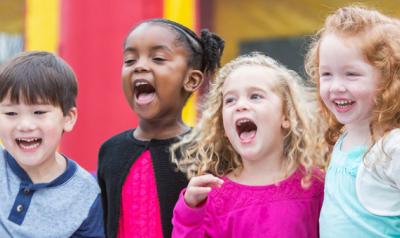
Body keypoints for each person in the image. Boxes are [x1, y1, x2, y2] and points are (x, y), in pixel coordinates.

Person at [171, 52, 325, 238]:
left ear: (286, 116)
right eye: (230, 100)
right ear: (223, 126)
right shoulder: (214, 197)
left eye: (255, 96)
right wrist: (190, 213)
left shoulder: (315, 185)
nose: (240, 105)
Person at [97, 18, 224, 238]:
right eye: (129, 60)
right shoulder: (110, 150)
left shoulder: (208, 149)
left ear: (192, 80)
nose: (140, 66)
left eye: (158, 58)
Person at [305, 5, 400, 237]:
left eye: (351, 74)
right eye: (326, 74)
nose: (336, 86)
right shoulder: (344, 137)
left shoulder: (392, 147)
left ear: (388, 79)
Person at [0, 51, 104, 238]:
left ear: (68, 118)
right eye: (11, 113)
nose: (25, 125)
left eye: (39, 112)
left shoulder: (85, 195)